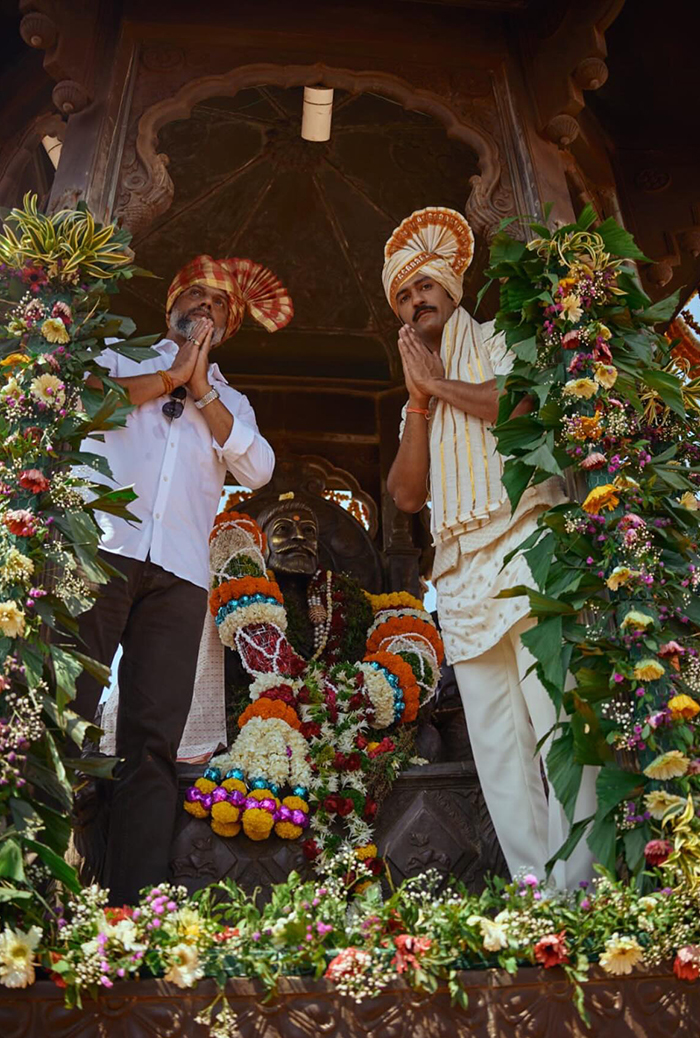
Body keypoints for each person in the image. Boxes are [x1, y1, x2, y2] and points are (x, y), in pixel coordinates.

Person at [384, 206, 595, 886]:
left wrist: (438, 383)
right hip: (462, 570)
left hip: (526, 540)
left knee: (557, 725)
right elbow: (407, 496)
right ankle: (542, 900)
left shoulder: (503, 336)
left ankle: (588, 895)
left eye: (426, 287)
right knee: (500, 749)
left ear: (453, 290)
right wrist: (418, 403)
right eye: (404, 294)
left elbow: (522, 404)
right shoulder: (416, 392)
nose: (418, 299)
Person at [72, 254, 292, 904]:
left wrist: (201, 391)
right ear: (171, 303)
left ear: (229, 323)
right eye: (195, 294)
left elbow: (258, 469)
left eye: (219, 303)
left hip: (179, 576)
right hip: (104, 550)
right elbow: (84, 404)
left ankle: (131, 912)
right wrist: (168, 374)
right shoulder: (122, 352)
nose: (206, 306)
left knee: (152, 742)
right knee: (65, 709)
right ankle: (27, 882)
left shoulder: (233, 402)